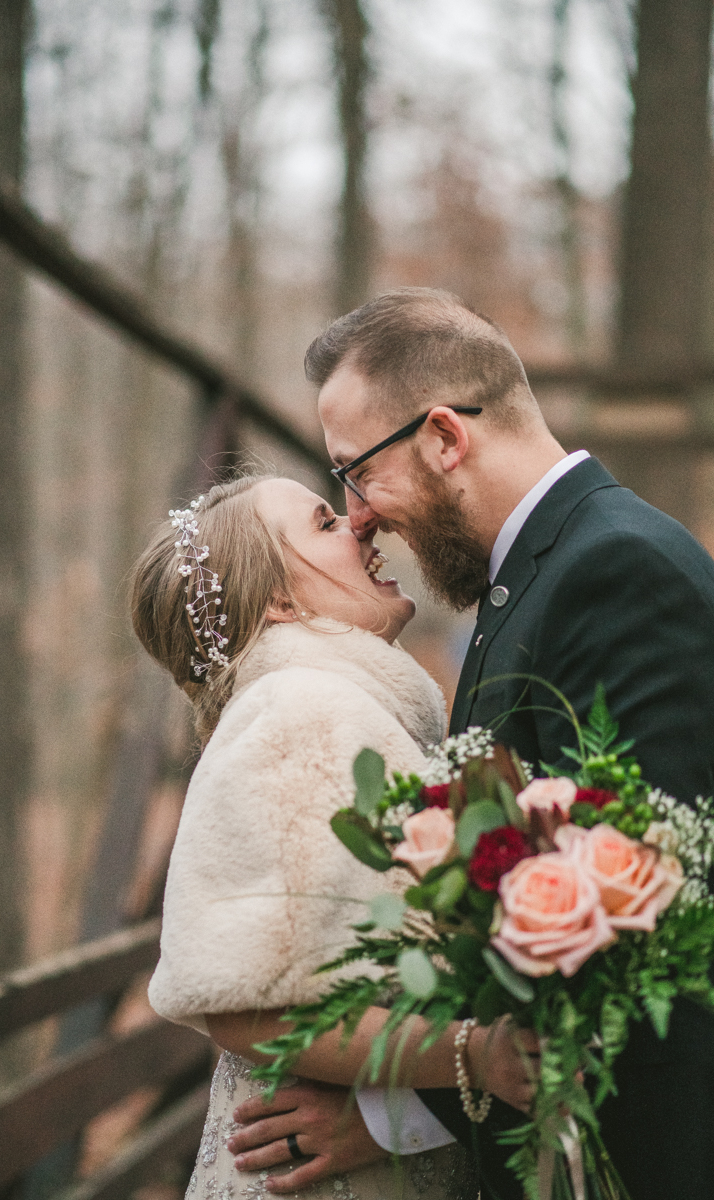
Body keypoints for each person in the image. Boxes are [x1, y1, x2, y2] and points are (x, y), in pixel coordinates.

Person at [227, 289, 714, 1200]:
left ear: (446, 437)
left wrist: (399, 1114)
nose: (358, 514)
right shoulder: (533, 577)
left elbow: (651, 927)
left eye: (357, 473)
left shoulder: (614, 571)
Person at [131, 473, 541, 1200]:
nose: (359, 527)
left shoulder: (338, 706)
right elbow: (244, 1006)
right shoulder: (299, 711)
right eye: (324, 524)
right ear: (281, 602)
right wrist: (474, 1054)